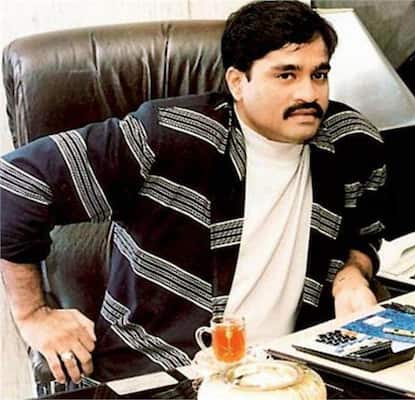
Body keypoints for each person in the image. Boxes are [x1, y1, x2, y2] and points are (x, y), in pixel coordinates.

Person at [0, 0, 386, 384]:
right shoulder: (168, 136)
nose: (309, 94)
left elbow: (363, 237)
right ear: (237, 82)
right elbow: (13, 183)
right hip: (162, 373)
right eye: (286, 75)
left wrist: (352, 275)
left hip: (288, 372)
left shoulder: (351, 143)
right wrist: (33, 314)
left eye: (319, 74)